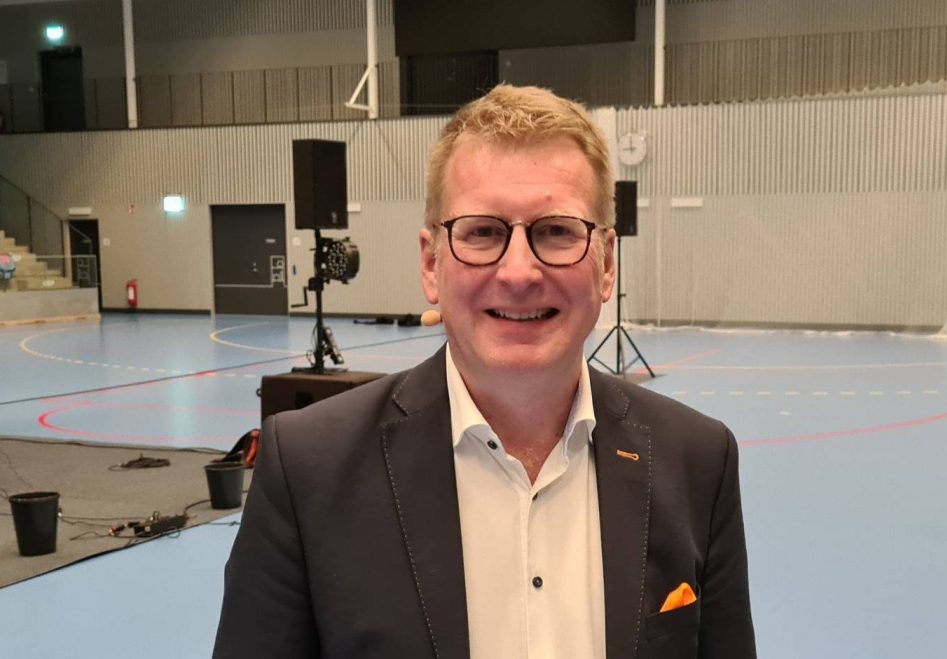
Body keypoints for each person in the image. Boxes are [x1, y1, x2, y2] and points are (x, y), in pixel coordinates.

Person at [213, 84, 755, 658]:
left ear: (606, 265)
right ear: (431, 264)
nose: (519, 273)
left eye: (556, 231)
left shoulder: (698, 460)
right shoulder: (307, 469)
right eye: (482, 232)